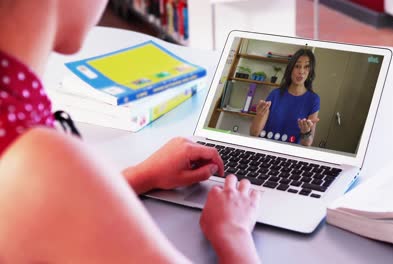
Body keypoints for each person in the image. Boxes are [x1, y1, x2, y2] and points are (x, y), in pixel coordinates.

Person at [0, 1, 261, 263]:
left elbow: (51, 212)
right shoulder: (42, 161)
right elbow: (51, 192)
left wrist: (140, 176)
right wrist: (234, 233)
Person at [250, 48, 320, 147]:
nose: (301, 71)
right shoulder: (275, 94)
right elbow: (254, 133)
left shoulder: (313, 100)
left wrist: (306, 132)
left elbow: (307, 143)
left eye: (306, 67)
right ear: (290, 69)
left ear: (310, 71)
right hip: (265, 148)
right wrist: (259, 115)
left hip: (290, 154)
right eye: (297, 66)